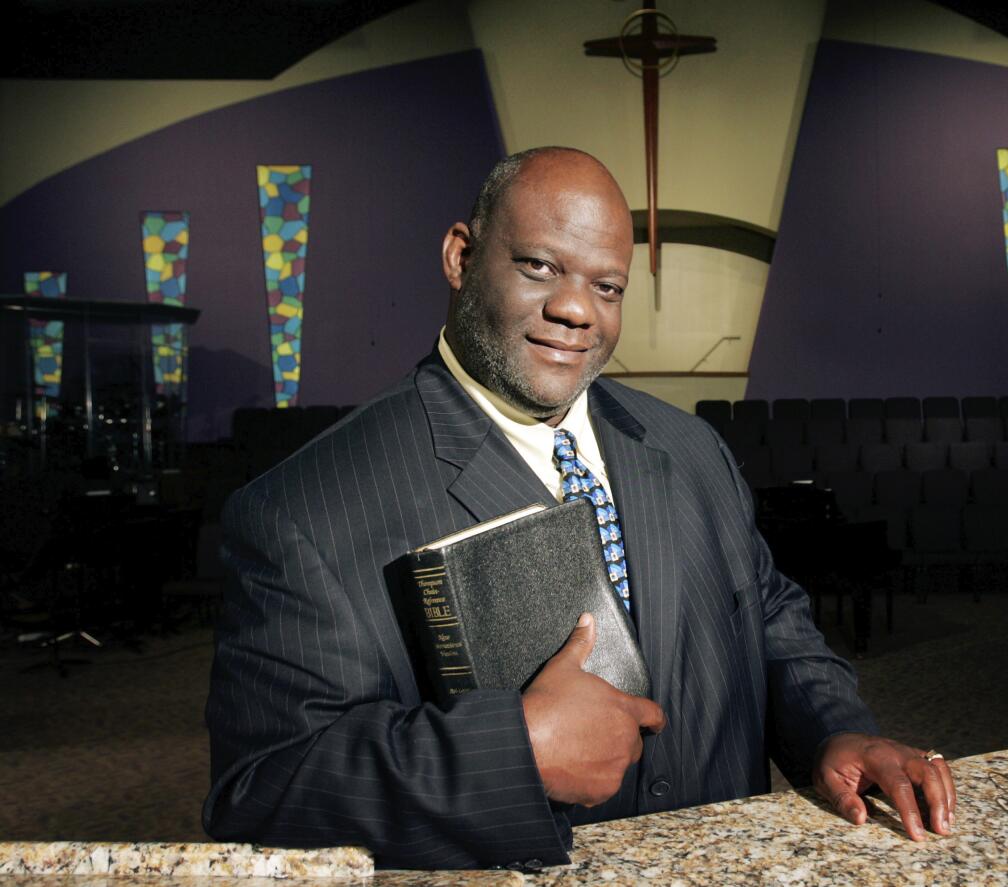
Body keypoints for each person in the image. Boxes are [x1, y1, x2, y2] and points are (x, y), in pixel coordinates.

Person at [204, 147, 956, 870]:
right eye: (539, 266)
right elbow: (261, 795)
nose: (574, 310)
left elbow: (765, 620)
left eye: (608, 286)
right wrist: (511, 754)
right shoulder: (302, 510)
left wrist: (834, 732)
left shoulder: (690, 447)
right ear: (461, 257)